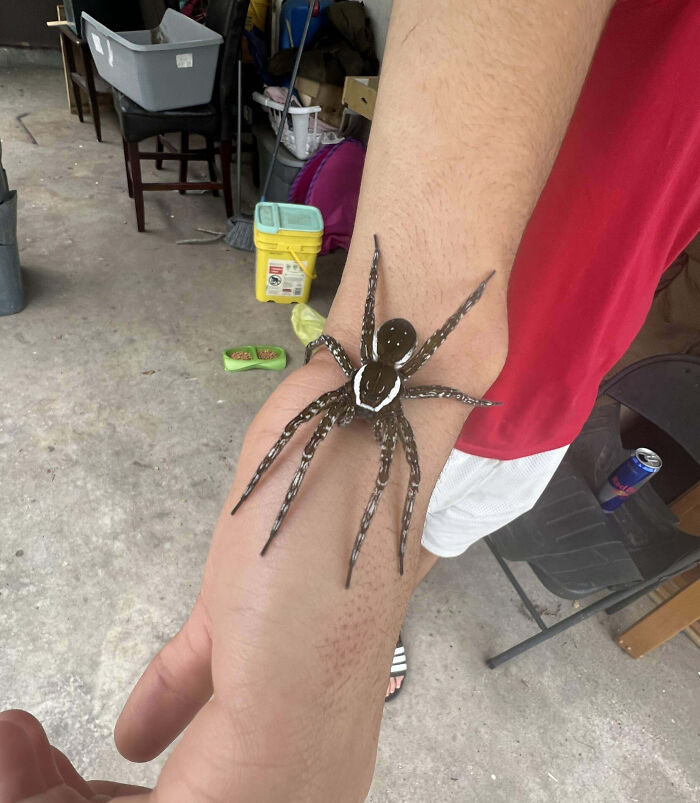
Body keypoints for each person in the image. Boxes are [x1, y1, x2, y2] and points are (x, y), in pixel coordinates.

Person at [3, 0, 699, 800]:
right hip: (428, 358)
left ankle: (383, 604)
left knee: (417, 504)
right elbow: (352, 365)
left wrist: (437, 326)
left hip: (555, 344)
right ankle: (374, 599)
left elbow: (426, 370)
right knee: (386, 478)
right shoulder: (361, 380)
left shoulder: (409, 391)